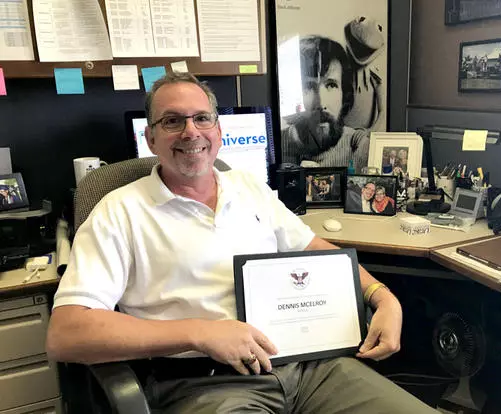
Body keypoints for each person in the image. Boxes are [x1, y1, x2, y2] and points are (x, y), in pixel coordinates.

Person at [46, 72, 436, 414]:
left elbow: (310, 246)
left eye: (202, 118)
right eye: (172, 121)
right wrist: (199, 332)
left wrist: (382, 297)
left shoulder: (247, 186)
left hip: (307, 366)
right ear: (150, 138)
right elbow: (67, 333)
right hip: (204, 384)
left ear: (218, 131)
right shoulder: (119, 212)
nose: (190, 131)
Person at [281, 36, 370, 171]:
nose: (321, 103)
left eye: (331, 85)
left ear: (344, 93)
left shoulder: (358, 145)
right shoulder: (277, 145)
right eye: (308, 87)